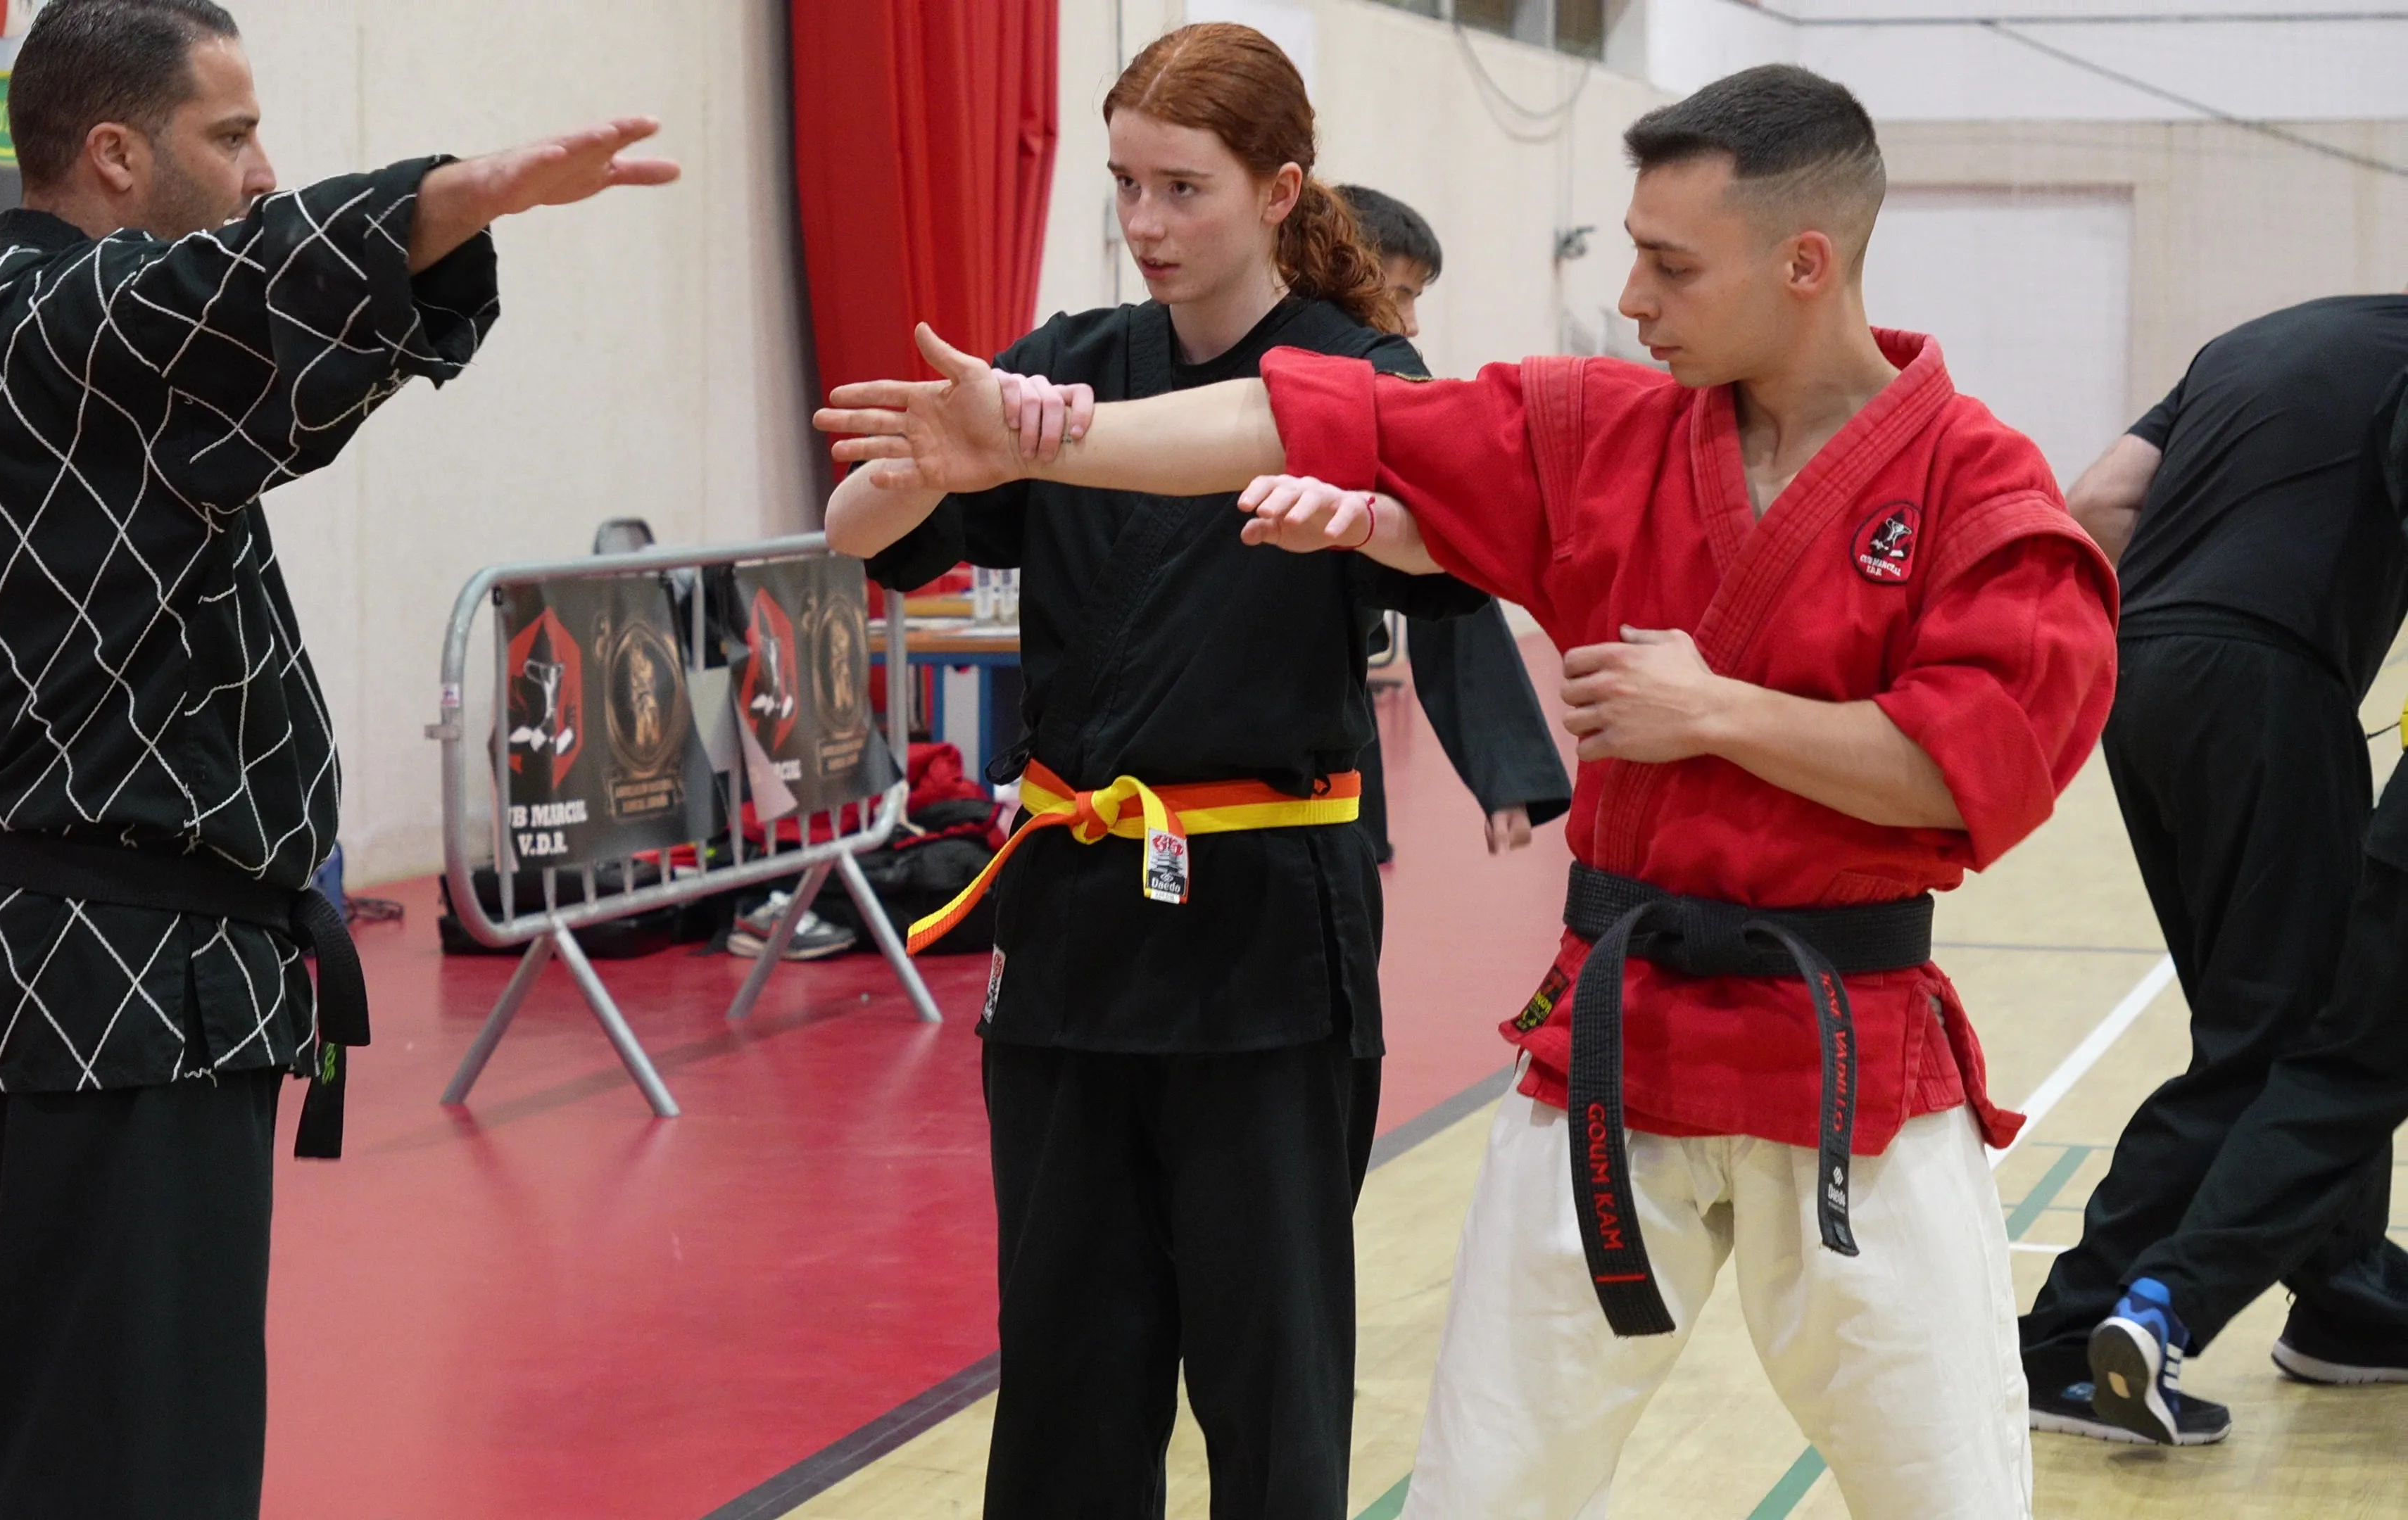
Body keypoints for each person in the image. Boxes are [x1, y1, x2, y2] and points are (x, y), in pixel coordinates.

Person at [819, 64, 2119, 1519]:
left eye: (1669, 264)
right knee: (1486, 1486)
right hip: (1610, 1045)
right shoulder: (1604, 431)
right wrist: (1055, 439)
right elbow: (1292, 421)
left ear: (1804, 264)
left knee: (1948, 1488)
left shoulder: (1980, 488)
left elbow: (1975, 767)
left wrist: (1719, 714)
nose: (1631, 297)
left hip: (1851, 1063)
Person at [0, 4, 676, 1515]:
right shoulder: (84, 324)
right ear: (113, 156)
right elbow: (250, 287)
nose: (260, 170)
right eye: (229, 135)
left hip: (61, 960)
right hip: (134, 986)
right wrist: (469, 193)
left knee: (30, 1410)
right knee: (132, 1454)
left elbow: (246, 343)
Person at [820, 23, 1484, 1518]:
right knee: (1066, 1362)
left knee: (1268, 1370)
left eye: (1184, 188)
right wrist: (942, 455)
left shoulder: (1355, 373)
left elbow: (1460, 559)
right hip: (1073, 927)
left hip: (1263, 934)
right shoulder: (1069, 364)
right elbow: (864, 537)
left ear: (1278, 188)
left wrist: (1364, 524)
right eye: (1125, 185)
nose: (1145, 226)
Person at [2021, 297, 2408, 1445]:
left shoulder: (2256, 345)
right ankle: (2069, 1339)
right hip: (2265, 683)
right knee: (2287, 1037)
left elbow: (2095, 504)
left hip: (2135, 675)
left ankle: (2343, 1298)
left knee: (2277, 1015)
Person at [1336, 184, 1572, 863]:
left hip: (1320, 732)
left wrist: (1504, 769)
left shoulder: (1387, 378)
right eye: (1402, 293)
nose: (1410, 322)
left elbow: (1447, 558)